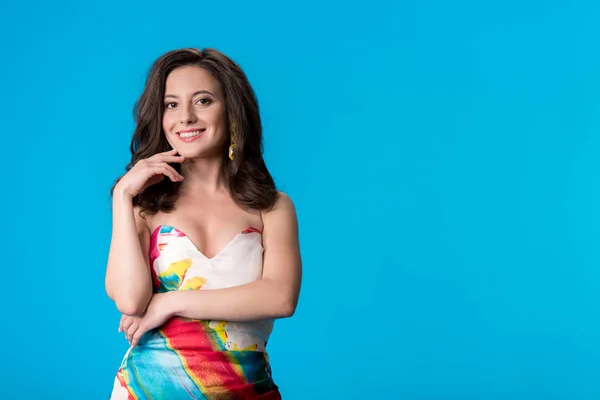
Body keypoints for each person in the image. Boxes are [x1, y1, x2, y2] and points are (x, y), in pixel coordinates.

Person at [105, 48, 302, 399]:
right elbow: (131, 301)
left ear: (232, 110)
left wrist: (170, 302)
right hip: (146, 390)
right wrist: (122, 198)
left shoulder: (272, 208)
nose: (185, 117)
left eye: (203, 101)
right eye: (171, 105)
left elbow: (280, 297)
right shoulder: (143, 208)